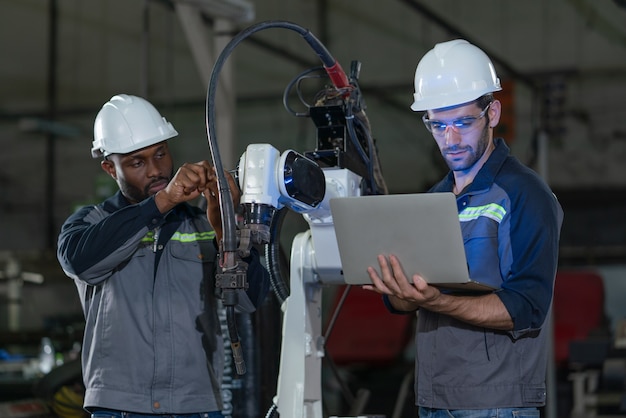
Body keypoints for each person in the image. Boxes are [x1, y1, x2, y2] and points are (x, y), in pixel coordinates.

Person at [364, 40, 563, 417]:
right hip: (434, 399)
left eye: (462, 122)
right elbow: (408, 301)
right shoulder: (433, 200)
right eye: (437, 125)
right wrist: (399, 289)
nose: (450, 139)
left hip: (498, 403)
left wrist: (436, 301)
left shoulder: (525, 194)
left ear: (492, 113)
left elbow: (526, 307)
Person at [57, 94, 270, 417]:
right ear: (109, 168)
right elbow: (81, 263)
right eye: (137, 162)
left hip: (196, 406)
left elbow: (250, 300)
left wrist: (225, 229)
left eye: (160, 154)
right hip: (119, 407)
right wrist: (163, 202)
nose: (156, 171)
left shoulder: (201, 224)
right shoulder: (89, 224)